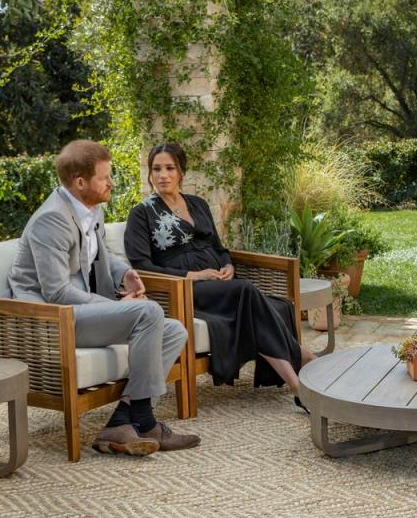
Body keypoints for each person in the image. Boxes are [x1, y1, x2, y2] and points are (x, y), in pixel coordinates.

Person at [8, 140, 199, 456]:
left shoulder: (90, 207)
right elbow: (56, 292)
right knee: (148, 312)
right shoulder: (51, 220)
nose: (112, 183)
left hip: (76, 311)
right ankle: (145, 421)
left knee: (174, 330)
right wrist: (115, 306)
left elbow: (103, 254)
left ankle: (121, 421)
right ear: (80, 182)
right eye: (105, 177)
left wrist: (125, 274)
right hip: (52, 319)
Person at [123, 144, 316, 409]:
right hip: (184, 290)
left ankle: (300, 384)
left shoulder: (198, 204)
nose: (163, 175)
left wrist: (228, 266)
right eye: (156, 169)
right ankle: (302, 374)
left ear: (181, 171)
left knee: (259, 301)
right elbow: (141, 265)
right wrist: (193, 275)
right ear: (150, 172)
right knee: (246, 291)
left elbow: (218, 248)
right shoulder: (142, 214)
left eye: (170, 168)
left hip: (219, 284)